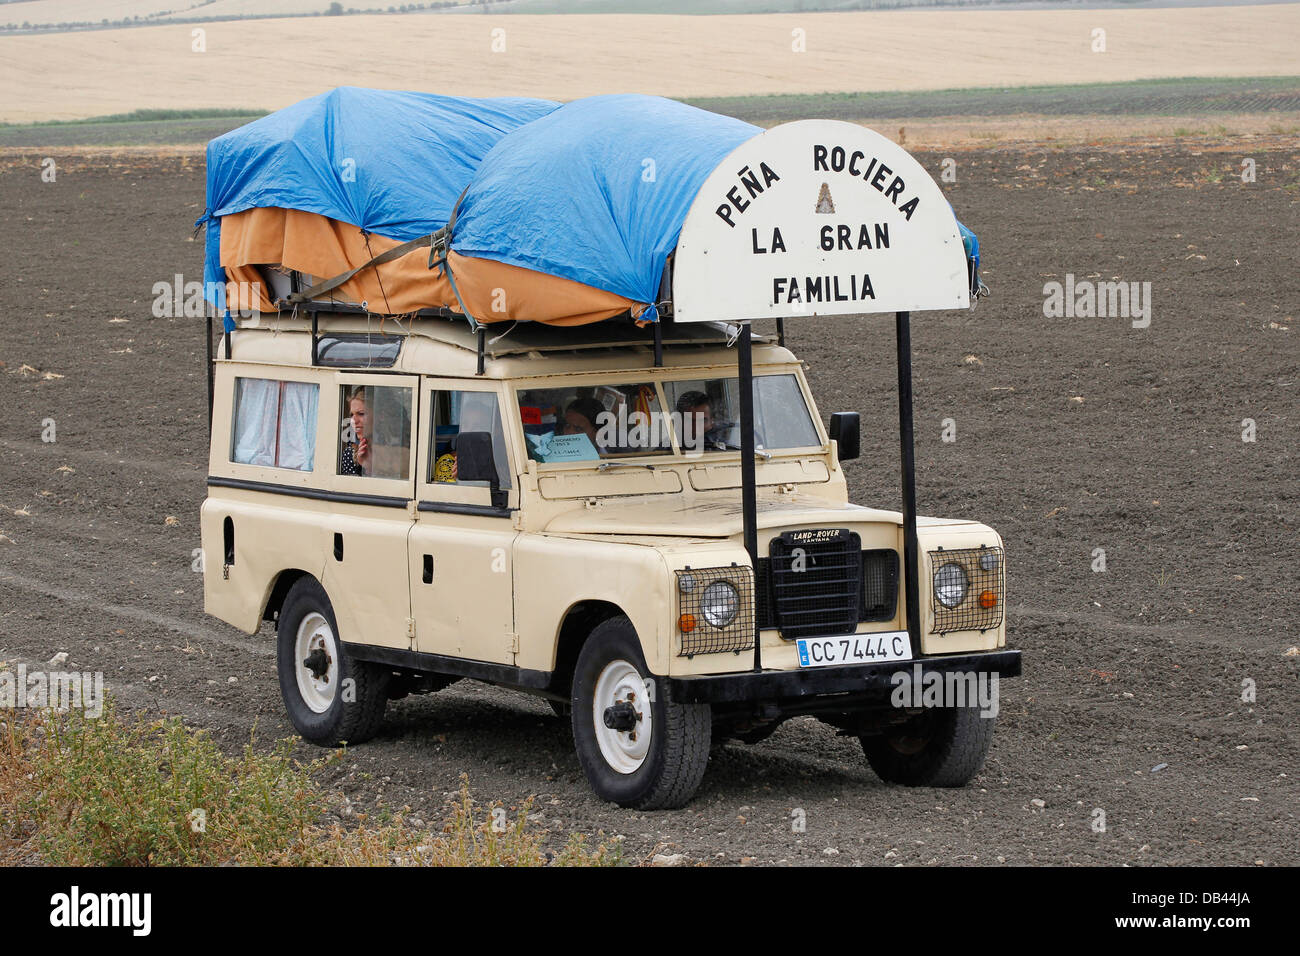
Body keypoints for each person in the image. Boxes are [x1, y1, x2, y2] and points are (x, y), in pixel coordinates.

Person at [340, 388, 370, 476]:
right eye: (351, 415)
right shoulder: (350, 454)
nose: (354, 420)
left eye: (361, 414)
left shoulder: (395, 449)